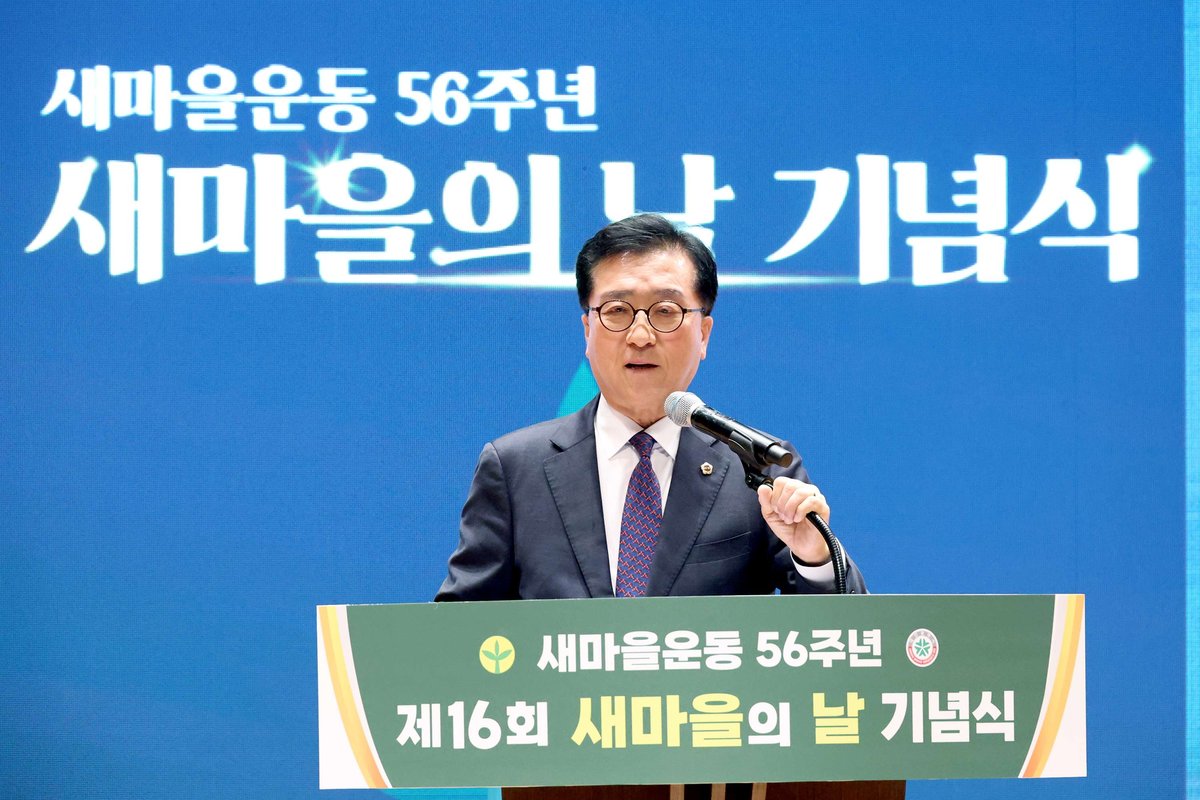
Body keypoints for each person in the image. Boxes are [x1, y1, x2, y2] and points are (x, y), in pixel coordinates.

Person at [436, 214, 866, 600]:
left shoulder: (757, 466)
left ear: (704, 335)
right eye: (617, 310)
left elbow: (845, 638)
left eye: (665, 311)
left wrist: (814, 556)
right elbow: (456, 631)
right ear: (587, 330)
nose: (640, 336)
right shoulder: (515, 469)